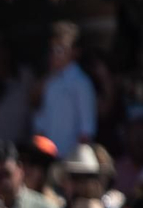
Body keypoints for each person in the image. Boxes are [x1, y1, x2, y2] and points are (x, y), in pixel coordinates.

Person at [33, 22, 96, 153]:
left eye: (61, 49)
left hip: (69, 158)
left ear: (75, 51)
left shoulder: (81, 82)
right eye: (53, 48)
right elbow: (40, 117)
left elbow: (86, 130)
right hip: (47, 156)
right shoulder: (50, 81)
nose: (56, 53)